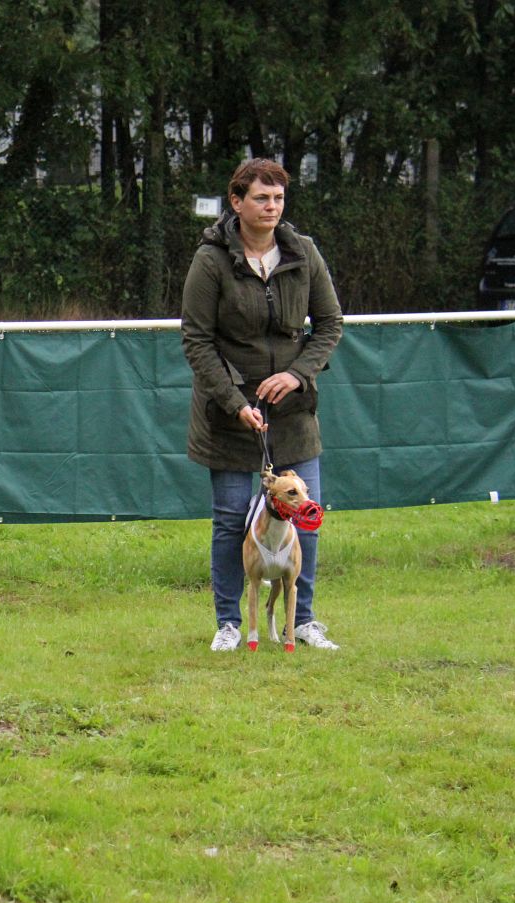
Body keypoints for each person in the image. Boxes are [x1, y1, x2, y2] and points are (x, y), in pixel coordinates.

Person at [180, 158, 344, 652]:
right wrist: (234, 402)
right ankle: (229, 623)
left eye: (278, 199)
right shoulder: (210, 260)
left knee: (306, 515)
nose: (271, 208)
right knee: (232, 519)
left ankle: (304, 620)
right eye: (260, 198)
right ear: (236, 202)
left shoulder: (304, 253)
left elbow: (330, 326)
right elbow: (196, 340)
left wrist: (297, 374)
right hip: (228, 411)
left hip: (293, 410)